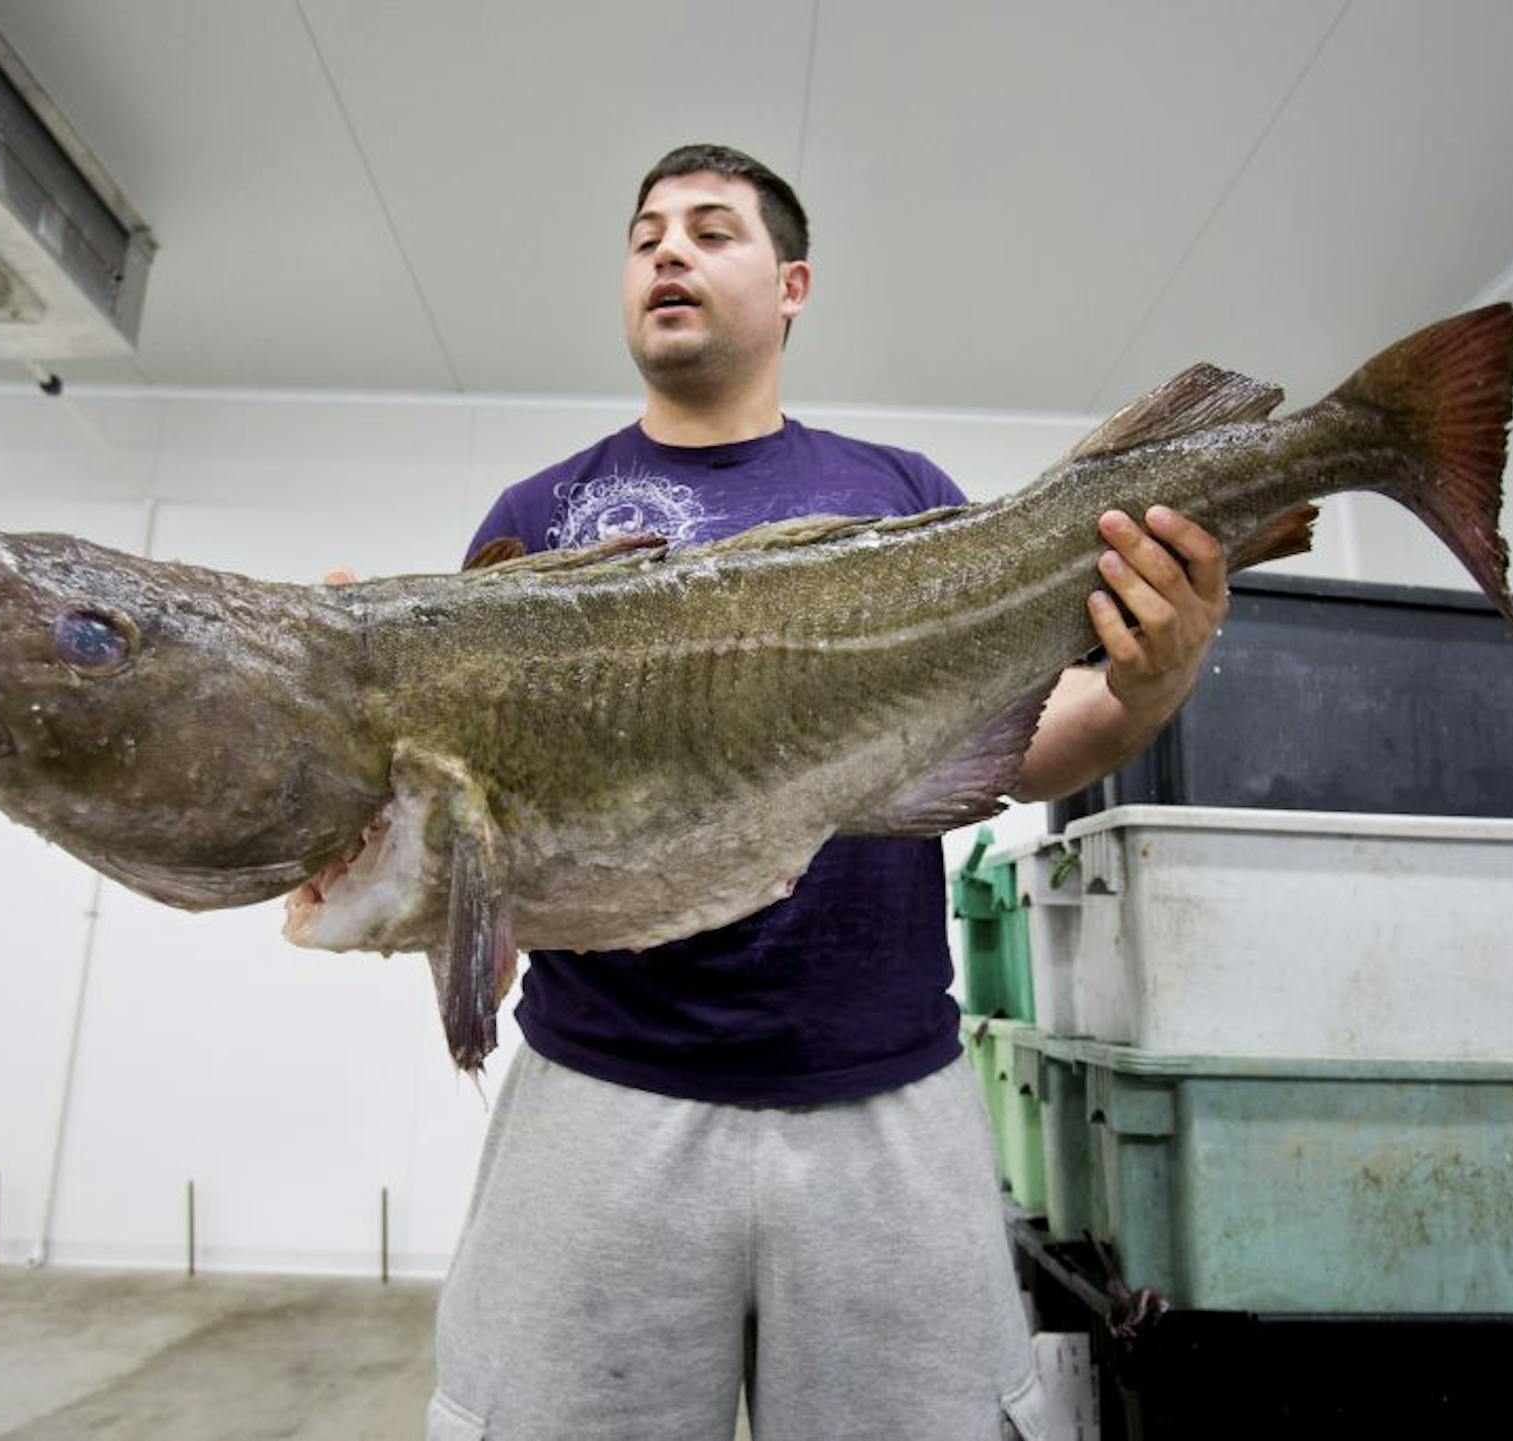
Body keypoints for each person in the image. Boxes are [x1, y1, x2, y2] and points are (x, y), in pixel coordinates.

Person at [422, 144, 1226, 1441]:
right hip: (596, 1091)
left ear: (791, 284)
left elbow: (1004, 751)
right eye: (645, 236)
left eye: (710, 231)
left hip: (884, 1098)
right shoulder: (536, 515)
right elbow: (482, 811)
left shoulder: (904, 498)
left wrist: (1146, 689)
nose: (667, 253)